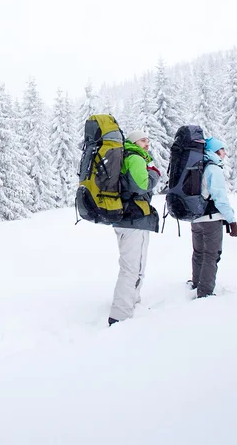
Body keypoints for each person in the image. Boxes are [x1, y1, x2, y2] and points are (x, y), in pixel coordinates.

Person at [108, 129, 160, 326]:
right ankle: (119, 316)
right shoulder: (135, 158)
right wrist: (155, 173)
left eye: (148, 139)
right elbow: (141, 184)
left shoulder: (129, 157)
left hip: (128, 219)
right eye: (142, 140)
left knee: (135, 265)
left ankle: (131, 301)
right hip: (133, 220)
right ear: (133, 142)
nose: (147, 143)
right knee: (131, 268)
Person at [189, 136, 237, 298]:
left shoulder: (198, 166)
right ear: (215, 151)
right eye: (222, 149)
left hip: (196, 218)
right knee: (212, 254)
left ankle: (197, 283)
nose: (224, 153)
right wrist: (232, 220)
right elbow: (220, 198)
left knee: (198, 252)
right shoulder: (213, 169)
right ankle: (205, 292)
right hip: (211, 219)